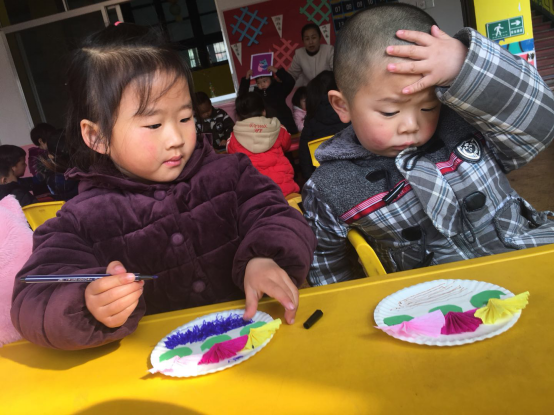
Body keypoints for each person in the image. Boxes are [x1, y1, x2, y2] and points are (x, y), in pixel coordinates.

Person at [11, 23, 317, 350]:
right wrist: (85, 303)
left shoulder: (231, 173)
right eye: (154, 124)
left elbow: (278, 217)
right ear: (97, 137)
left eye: (185, 118)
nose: (176, 138)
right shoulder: (82, 219)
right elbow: (32, 293)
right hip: (159, 369)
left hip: (260, 343)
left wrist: (265, 257)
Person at [303, 4, 554, 286]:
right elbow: (325, 264)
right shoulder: (331, 186)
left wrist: (467, 65)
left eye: (428, 107)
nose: (411, 124)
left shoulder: (468, 123)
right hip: (436, 304)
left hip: (533, 267)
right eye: (390, 112)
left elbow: (541, 119)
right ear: (342, 106)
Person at [227, 92, 300, 197]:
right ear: (264, 111)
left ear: (238, 116)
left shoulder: (234, 137)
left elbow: (230, 153)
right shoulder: (277, 128)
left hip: (258, 195)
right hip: (286, 189)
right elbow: (287, 145)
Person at [299, 71, 350, 181]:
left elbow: (304, 151)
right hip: (352, 170)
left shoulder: (311, 118)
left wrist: (309, 177)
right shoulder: (349, 113)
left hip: (322, 175)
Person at [239, 65, 298, 134]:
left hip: (286, 125)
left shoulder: (278, 88)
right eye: (258, 82)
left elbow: (290, 82)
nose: (262, 84)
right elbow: (242, 98)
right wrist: (246, 79)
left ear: (271, 79)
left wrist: (277, 71)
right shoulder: (256, 94)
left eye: (264, 81)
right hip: (268, 129)